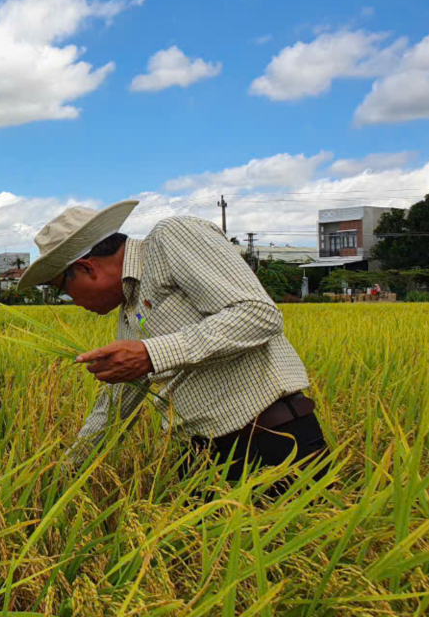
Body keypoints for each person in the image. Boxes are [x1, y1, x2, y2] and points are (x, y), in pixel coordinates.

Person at [18, 201, 328, 495]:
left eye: (64, 289)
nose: (72, 301)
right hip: (201, 462)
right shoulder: (129, 313)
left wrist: (151, 354)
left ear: (87, 268)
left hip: (274, 443)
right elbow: (114, 406)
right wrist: (66, 470)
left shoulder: (171, 239)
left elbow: (257, 313)